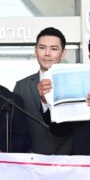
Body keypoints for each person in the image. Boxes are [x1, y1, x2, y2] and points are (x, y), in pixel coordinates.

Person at [12, 27, 73, 155]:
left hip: (67, 159)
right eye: (42, 48)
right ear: (35, 51)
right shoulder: (22, 86)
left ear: (63, 53)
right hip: (31, 160)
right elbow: (16, 127)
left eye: (54, 49)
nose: (47, 53)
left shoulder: (74, 83)